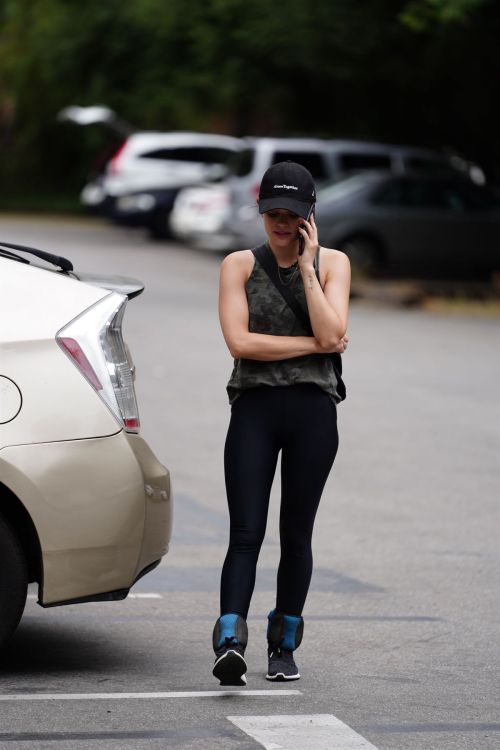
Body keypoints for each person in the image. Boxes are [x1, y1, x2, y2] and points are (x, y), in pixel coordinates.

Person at [212, 161, 350, 686]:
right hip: (255, 410)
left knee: (297, 534)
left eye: (292, 213)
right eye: (272, 210)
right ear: (261, 210)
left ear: (309, 216)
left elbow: (333, 326)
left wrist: (310, 269)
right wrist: (316, 345)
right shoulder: (239, 265)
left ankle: (283, 644)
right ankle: (229, 641)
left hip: (314, 412)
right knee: (245, 532)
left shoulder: (335, 263)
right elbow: (240, 343)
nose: (281, 221)